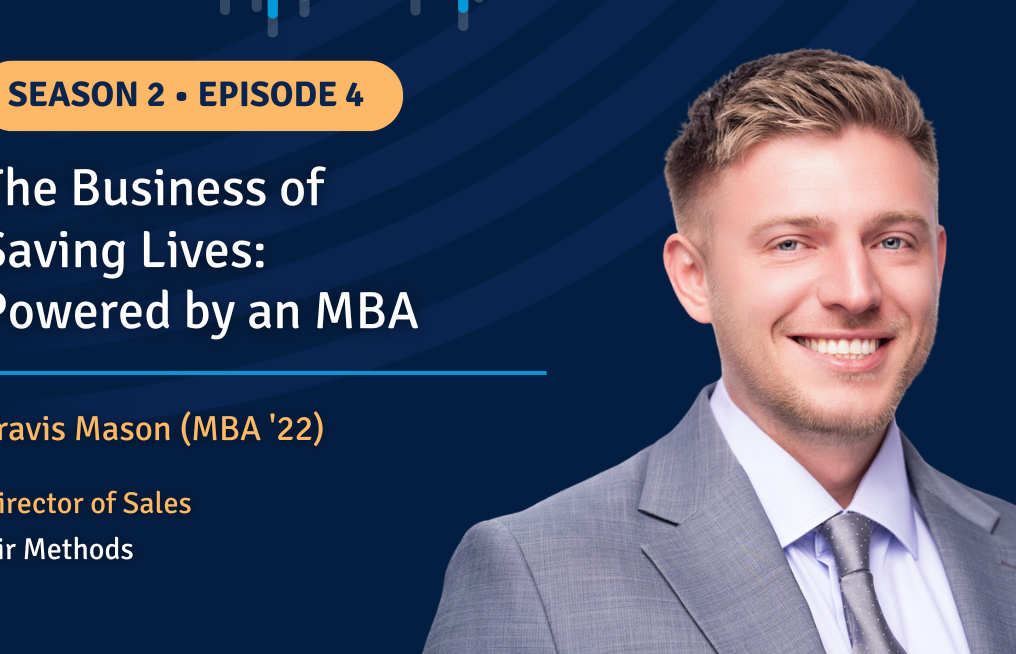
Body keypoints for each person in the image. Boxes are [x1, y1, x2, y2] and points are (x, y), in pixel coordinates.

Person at [423, 49, 1015, 654]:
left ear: (937, 262)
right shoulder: (533, 577)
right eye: (791, 244)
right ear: (694, 278)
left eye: (893, 241)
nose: (855, 291)